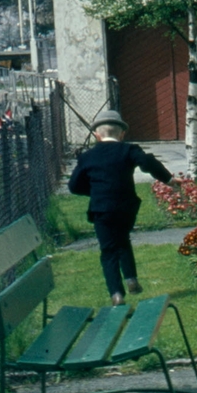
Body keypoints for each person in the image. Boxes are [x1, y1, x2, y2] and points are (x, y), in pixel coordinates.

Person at [67, 109, 175, 305]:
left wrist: (95, 190)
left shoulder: (88, 156)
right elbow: (148, 163)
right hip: (126, 208)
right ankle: (131, 279)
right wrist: (168, 179)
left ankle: (116, 293)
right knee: (123, 240)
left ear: (96, 135)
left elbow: (74, 186)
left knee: (108, 250)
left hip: (102, 209)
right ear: (122, 134)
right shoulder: (129, 150)